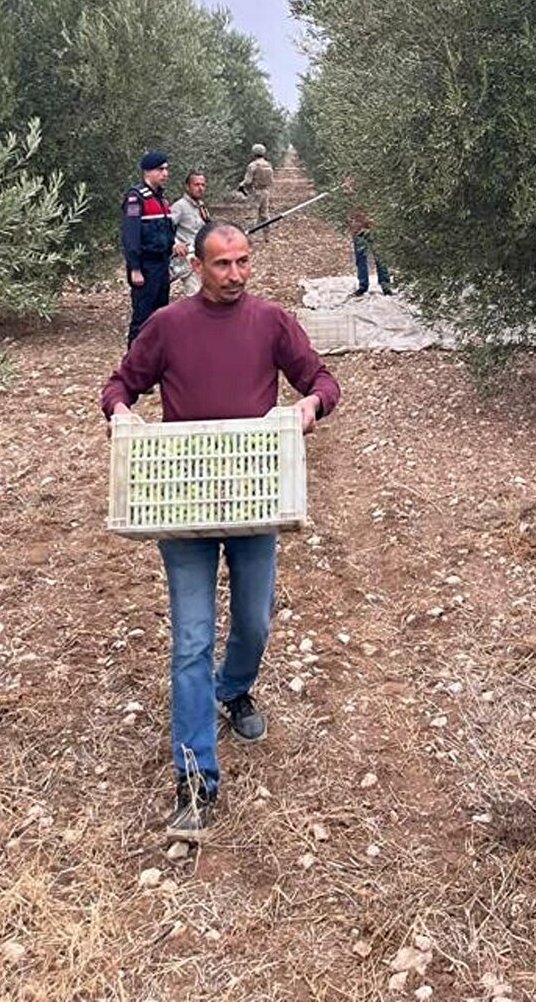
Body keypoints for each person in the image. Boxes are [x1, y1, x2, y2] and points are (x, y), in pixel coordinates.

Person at [101, 222, 340, 840]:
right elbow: (120, 383)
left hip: (255, 496)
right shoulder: (169, 326)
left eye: (242, 262)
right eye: (222, 265)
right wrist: (122, 413)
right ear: (197, 268)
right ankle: (195, 779)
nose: (236, 275)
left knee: (255, 620)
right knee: (190, 638)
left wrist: (309, 406)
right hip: (185, 504)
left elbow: (322, 380)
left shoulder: (271, 321)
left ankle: (233, 689)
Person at [120, 150, 176, 347]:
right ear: (147, 172)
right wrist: (135, 267)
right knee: (142, 316)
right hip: (145, 266)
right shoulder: (136, 199)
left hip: (161, 264)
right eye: (160, 169)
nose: (165, 173)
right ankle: (133, 362)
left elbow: (167, 233)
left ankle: (155, 360)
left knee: (160, 315)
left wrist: (170, 259)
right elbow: (131, 235)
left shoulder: (161, 200)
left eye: (166, 169)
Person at [169, 171, 212, 297]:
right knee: (195, 296)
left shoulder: (202, 207)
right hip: (188, 260)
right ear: (187, 186)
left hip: (203, 257)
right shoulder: (179, 206)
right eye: (196, 184)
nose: (200, 188)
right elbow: (165, 230)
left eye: (203, 185)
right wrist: (175, 244)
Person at [240, 143, 275, 225]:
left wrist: (241, 185)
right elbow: (271, 180)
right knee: (264, 215)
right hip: (265, 192)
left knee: (252, 215)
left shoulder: (253, 165)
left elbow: (248, 181)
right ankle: (266, 235)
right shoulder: (268, 164)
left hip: (255, 192)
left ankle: (250, 234)